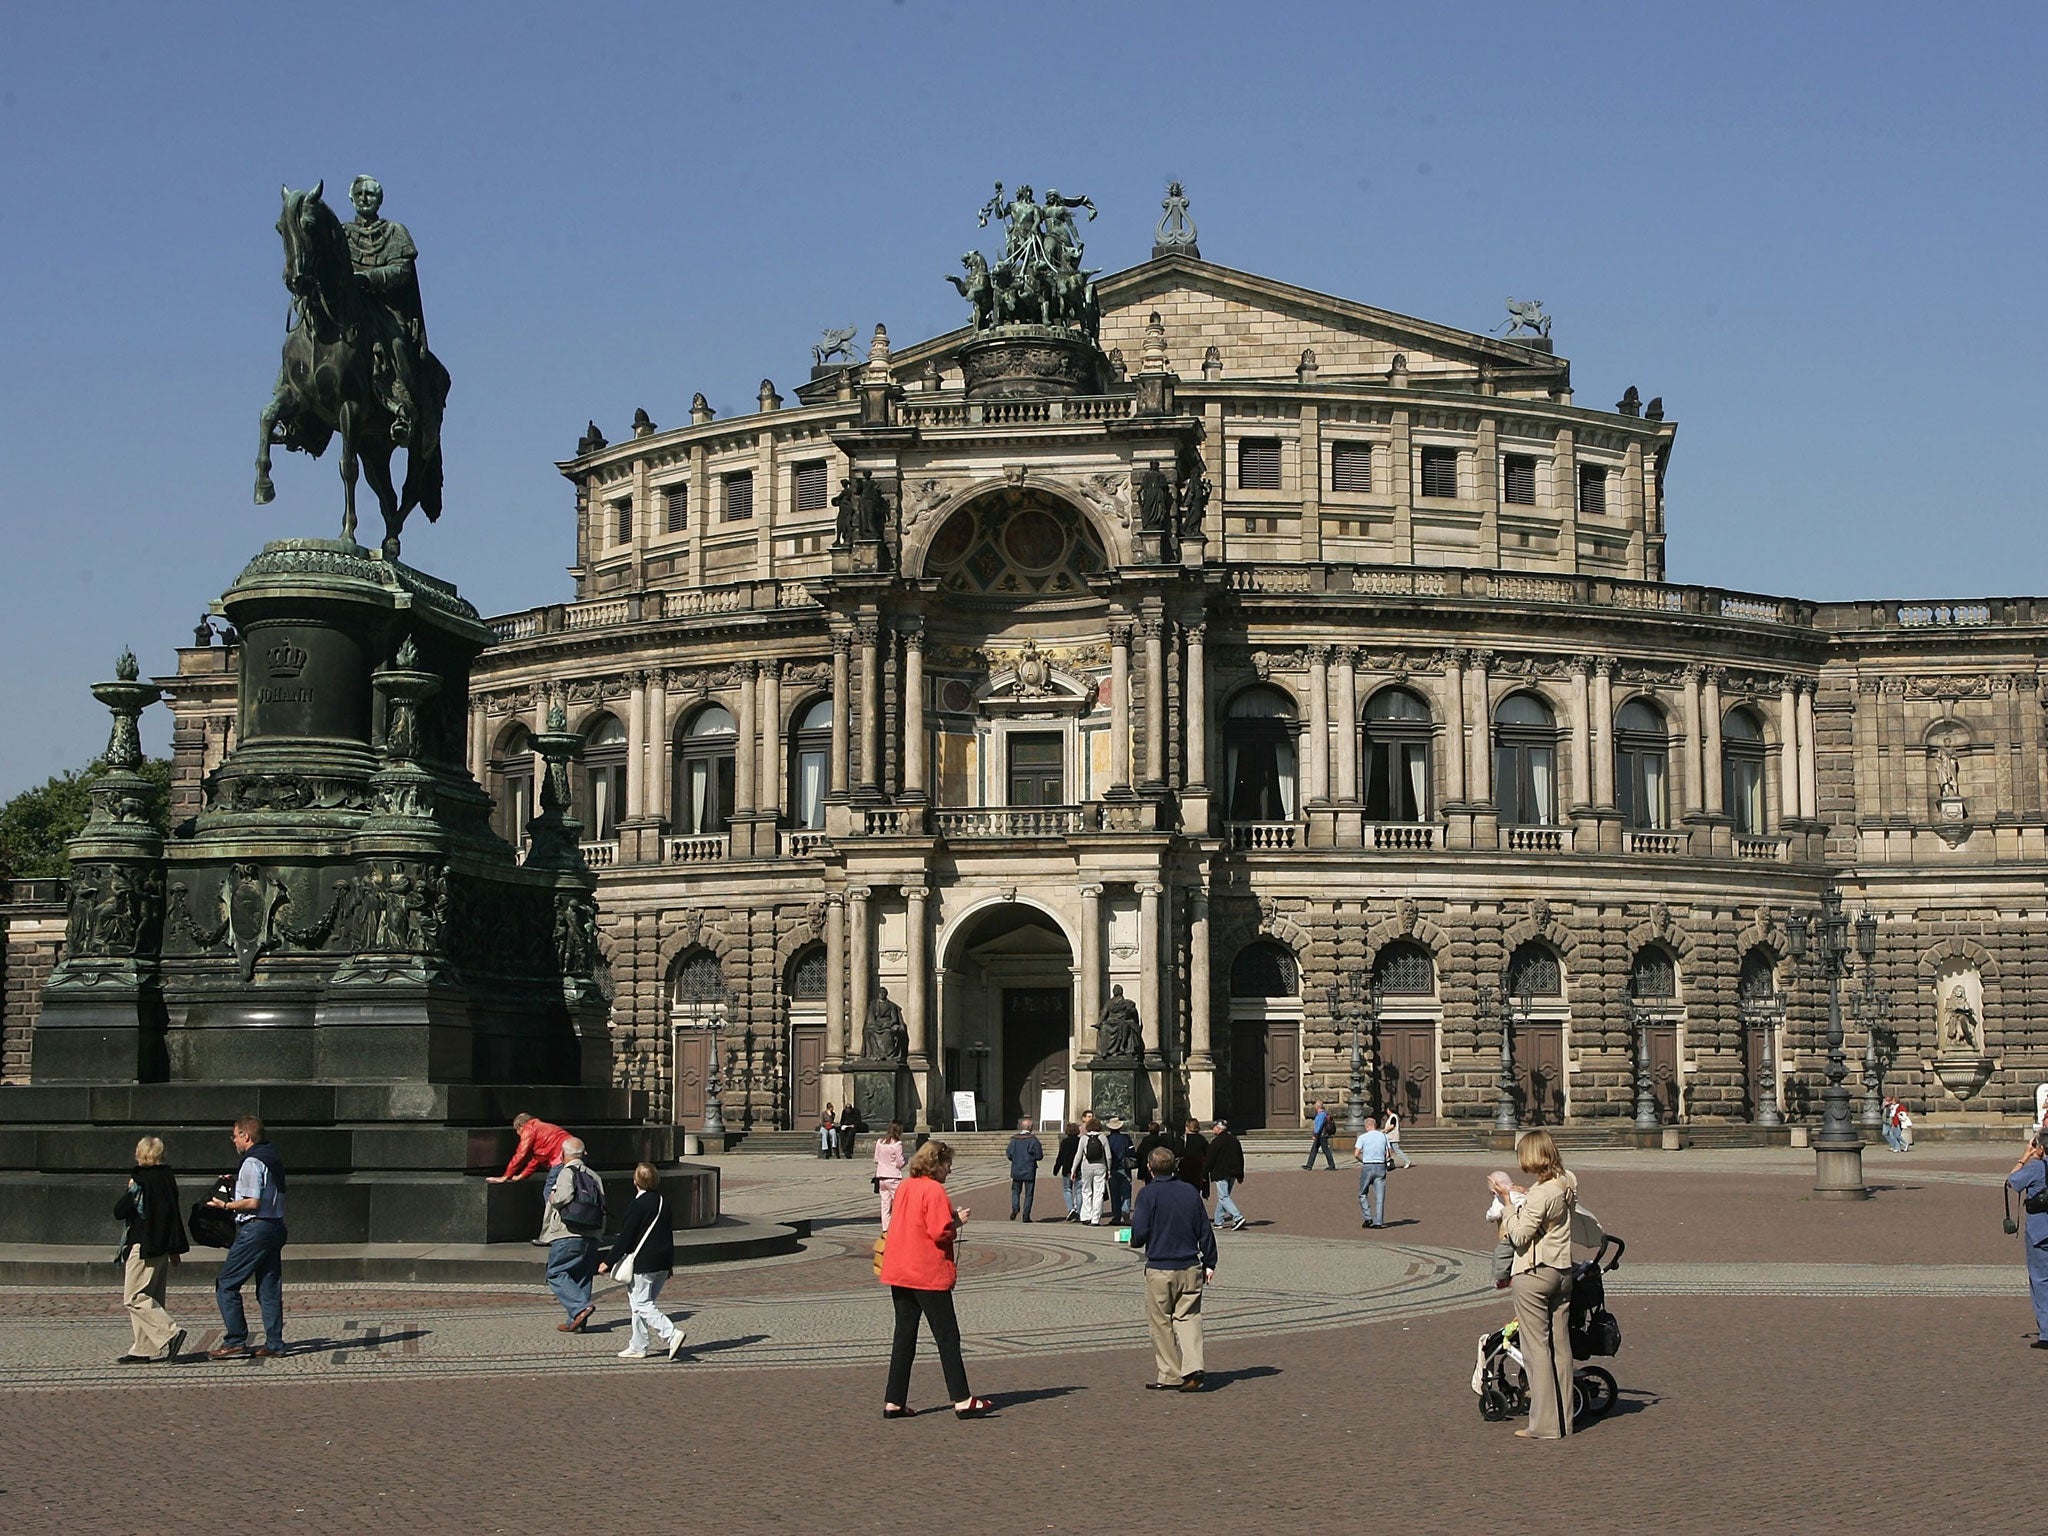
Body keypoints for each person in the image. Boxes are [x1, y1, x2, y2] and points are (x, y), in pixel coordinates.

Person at [878, 1140, 992, 1418]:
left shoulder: (905, 1186)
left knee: (904, 1335)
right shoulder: (935, 1190)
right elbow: (939, 1232)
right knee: (947, 1336)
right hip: (926, 1271)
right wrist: (957, 1222)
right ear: (936, 1164)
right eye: (947, 1164)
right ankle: (962, 1399)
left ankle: (894, 1400)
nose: (949, 1170)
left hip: (899, 1269)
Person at [1494, 1130, 1580, 1439]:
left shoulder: (1543, 1193)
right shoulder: (1566, 1180)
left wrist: (1507, 1202)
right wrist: (1525, 1194)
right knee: (1560, 1347)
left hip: (1534, 1273)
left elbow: (1519, 1235)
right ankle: (1564, 1420)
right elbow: (1546, 1206)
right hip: (1562, 1271)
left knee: (1536, 1350)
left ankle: (1544, 1425)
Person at [1130, 1145, 1218, 1392]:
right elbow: (1204, 1229)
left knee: (1160, 1322)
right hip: (1190, 1264)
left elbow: (1140, 1231)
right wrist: (1210, 1261)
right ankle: (1193, 1368)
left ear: (1149, 1168)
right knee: (1189, 1318)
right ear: (1174, 1166)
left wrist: (1135, 1240)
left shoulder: (1148, 1194)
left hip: (1160, 1266)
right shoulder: (1190, 1191)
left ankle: (1169, 1373)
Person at [208, 1115, 288, 1360]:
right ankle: (274, 1343)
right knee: (268, 1288)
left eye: (235, 1135)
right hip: (275, 1226)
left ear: (246, 1136)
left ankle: (235, 1340)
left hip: (256, 1229)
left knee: (226, 1284)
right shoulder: (271, 1156)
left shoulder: (252, 1162)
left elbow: (253, 1202)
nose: (233, 1140)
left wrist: (225, 1205)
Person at [597, 1163, 686, 1362]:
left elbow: (626, 1237)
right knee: (641, 1305)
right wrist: (669, 1263)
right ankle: (638, 1345)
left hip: (644, 1263)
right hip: (662, 1261)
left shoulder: (637, 1205)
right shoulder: (664, 1202)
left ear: (635, 1181)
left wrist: (608, 1262)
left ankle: (671, 1334)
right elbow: (668, 1235)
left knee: (642, 1304)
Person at [113, 1135, 189, 1364]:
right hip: (162, 1246)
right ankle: (143, 1348)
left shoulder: (140, 1179)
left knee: (134, 1298)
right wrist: (175, 1248)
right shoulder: (167, 1178)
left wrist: (129, 1190)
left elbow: (120, 1211)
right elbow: (174, 1214)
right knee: (152, 1296)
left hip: (143, 1245)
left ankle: (171, 1332)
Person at [541, 1137, 606, 1334]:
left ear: (563, 1154)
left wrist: (552, 1196)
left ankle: (580, 1308)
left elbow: (563, 1197)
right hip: (591, 1233)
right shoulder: (594, 1176)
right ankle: (575, 1321)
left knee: (555, 1272)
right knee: (583, 1276)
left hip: (568, 1232)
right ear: (584, 1154)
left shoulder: (565, 1172)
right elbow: (602, 1206)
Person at [488, 1113, 572, 1239]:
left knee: (550, 1193)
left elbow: (521, 1154)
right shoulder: (543, 1129)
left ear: (521, 1126)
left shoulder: (529, 1128)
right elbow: (536, 1159)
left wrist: (505, 1176)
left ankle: (552, 1233)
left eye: (517, 1131)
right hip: (573, 1154)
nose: (518, 1134)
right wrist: (522, 1175)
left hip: (561, 1158)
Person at [2009, 1131, 2048, 1348]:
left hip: (2041, 1229)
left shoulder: (2035, 1167)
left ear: (2040, 1147)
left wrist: (2025, 1156)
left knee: (2041, 1280)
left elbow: (2012, 1182)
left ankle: (2047, 1333)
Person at [1206, 1120, 1247, 1231]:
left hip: (1221, 1173)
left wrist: (1205, 1172)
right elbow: (1240, 1157)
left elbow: (1210, 1159)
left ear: (1218, 1129)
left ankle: (1237, 1217)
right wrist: (1240, 1173)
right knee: (1224, 1196)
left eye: (1213, 1127)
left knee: (1224, 1197)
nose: (1212, 1129)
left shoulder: (1216, 1142)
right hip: (1233, 1172)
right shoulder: (1234, 1140)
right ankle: (1218, 1221)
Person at [1355, 1115, 1392, 1229]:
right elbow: (1388, 1153)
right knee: (1380, 1197)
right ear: (1375, 1126)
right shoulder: (1383, 1136)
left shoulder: (1362, 1137)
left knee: (1363, 1193)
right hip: (1381, 1166)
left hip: (1368, 1166)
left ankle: (1368, 1217)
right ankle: (1378, 1222)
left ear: (1366, 1127)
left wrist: (1363, 1160)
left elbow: (1356, 1154)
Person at [1005, 1118, 1044, 1221]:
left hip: (1017, 1168)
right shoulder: (1033, 1140)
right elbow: (1039, 1155)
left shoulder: (1014, 1139)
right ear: (1030, 1128)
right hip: (1029, 1170)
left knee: (1015, 1190)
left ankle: (1015, 1207)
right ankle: (1026, 1216)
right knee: (1029, 1194)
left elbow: (1009, 1153)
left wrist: (1015, 1159)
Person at [1077, 1114, 1112, 1224]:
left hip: (1086, 1167)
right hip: (1100, 1167)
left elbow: (1078, 1155)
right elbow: (1109, 1156)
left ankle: (1085, 1216)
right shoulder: (1103, 1137)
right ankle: (1095, 1218)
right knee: (1099, 1192)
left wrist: (1074, 1169)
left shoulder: (1084, 1138)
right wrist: (1109, 1169)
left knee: (1086, 1191)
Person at [875, 1123, 908, 1230]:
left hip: (881, 1176)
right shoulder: (897, 1144)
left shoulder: (880, 1142)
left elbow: (876, 1159)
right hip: (893, 1177)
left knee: (885, 1204)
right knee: (898, 1203)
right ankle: (897, 1228)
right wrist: (906, 1159)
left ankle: (885, 1229)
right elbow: (900, 1163)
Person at [1106, 1117, 1135, 1222]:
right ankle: (1126, 1211)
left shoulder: (1108, 1139)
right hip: (1125, 1167)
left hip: (1112, 1168)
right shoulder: (1125, 1138)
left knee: (1114, 1193)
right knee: (1126, 1191)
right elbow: (1132, 1152)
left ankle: (1116, 1216)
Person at [1054, 1121, 1082, 1221]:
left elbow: (1060, 1156)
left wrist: (1056, 1168)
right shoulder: (1080, 1140)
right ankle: (1079, 1211)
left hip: (1067, 1169)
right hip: (1079, 1169)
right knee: (1079, 1191)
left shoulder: (1065, 1142)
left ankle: (1071, 1209)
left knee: (1067, 1189)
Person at [1303, 1101, 1337, 1170]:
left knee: (1325, 1150)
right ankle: (1309, 1165)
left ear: (1317, 1107)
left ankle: (1332, 1165)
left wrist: (1315, 1134)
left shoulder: (1321, 1115)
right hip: (1321, 1135)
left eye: (1315, 1106)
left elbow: (1319, 1125)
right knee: (1314, 1149)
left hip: (1322, 1135)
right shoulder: (1321, 1114)